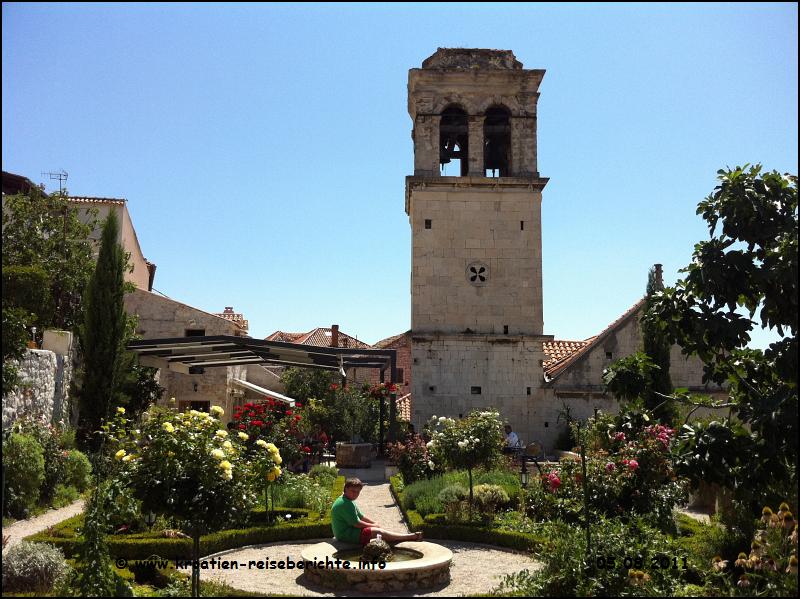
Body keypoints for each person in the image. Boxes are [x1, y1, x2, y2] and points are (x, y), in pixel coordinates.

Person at [331, 478, 423, 545]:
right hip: (345, 535)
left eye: (358, 492)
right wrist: (374, 526)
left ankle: (401, 536)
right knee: (378, 532)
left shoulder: (347, 499)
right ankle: (410, 537)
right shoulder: (344, 503)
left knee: (379, 530)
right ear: (346, 488)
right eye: (353, 491)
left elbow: (361, 516)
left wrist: (375, 523)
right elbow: (357, 524)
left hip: (348, 531)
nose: (355, 494)